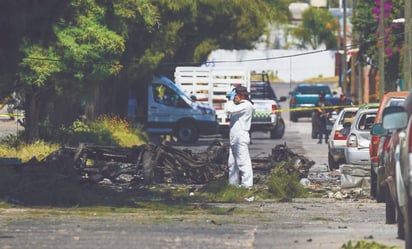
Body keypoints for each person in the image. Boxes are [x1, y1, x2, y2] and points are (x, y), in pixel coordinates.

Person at [226, 86, 255, 188]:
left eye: (236, 95)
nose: (235, 98)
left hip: (240, 137)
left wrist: (230, 99)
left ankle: (247, 186)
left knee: (243, 163)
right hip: (234, 138)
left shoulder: (246, 105)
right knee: (232, 164)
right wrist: (232, 100)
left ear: (242, 95)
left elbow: (230, 110)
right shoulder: (238, 106)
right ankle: (233, 186)